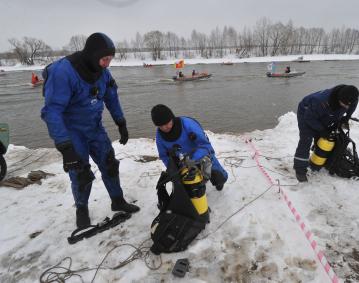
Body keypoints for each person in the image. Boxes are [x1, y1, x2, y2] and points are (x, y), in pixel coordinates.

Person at [41, 33, 140, 229]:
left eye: (110, 60)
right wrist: (65, 148)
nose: (107, 64)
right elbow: (52, 111)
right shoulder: (63, 72)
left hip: (95, 127)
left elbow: (111, 96)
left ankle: (117, 200)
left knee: (110, 163)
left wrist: (121, 122)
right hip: (72, 131)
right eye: (105, 59)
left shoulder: (102, 72)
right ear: (93, 55)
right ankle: (82, 209)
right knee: (80, 173)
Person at [151, 104, 228, 190]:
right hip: (182, 160)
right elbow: (164, 156)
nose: (165, 127)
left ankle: (219, 181)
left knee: (216, 173)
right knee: (182, 179)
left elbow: (205, 146)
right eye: (161, 126)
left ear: (172, 118)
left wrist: (193, 159)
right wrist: (172, 168)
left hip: (200, 153)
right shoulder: (160, 137)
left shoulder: (188, 124)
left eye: (167, 123)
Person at [293, 85, 359, 182]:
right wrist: (322, 130)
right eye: (344, 105)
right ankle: (300, 169)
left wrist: (347, 117)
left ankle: (318, 158)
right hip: (306, 112)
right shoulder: (320, 101)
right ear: (339, 98)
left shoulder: (351, 97)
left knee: (324, 137)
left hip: (327, 112)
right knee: (306, 139)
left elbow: (351, 106)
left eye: (348, 105)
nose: (346, 107)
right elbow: (309, 118)